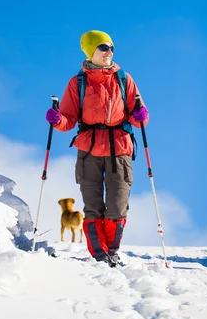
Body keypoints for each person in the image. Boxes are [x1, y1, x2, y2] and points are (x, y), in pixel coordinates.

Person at [45, 30, 148, 267]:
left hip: (119, 147)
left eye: (111, 47)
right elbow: (68, 120)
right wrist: (56, 119)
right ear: (91, 51)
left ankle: (112, 250)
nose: (109, 52)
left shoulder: (124, 79)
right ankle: (100, 256)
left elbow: (139, 115)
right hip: (89, 150)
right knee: (92, 207)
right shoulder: (78, 83)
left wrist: (141, 115)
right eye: (103, 47)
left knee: (117, 205)